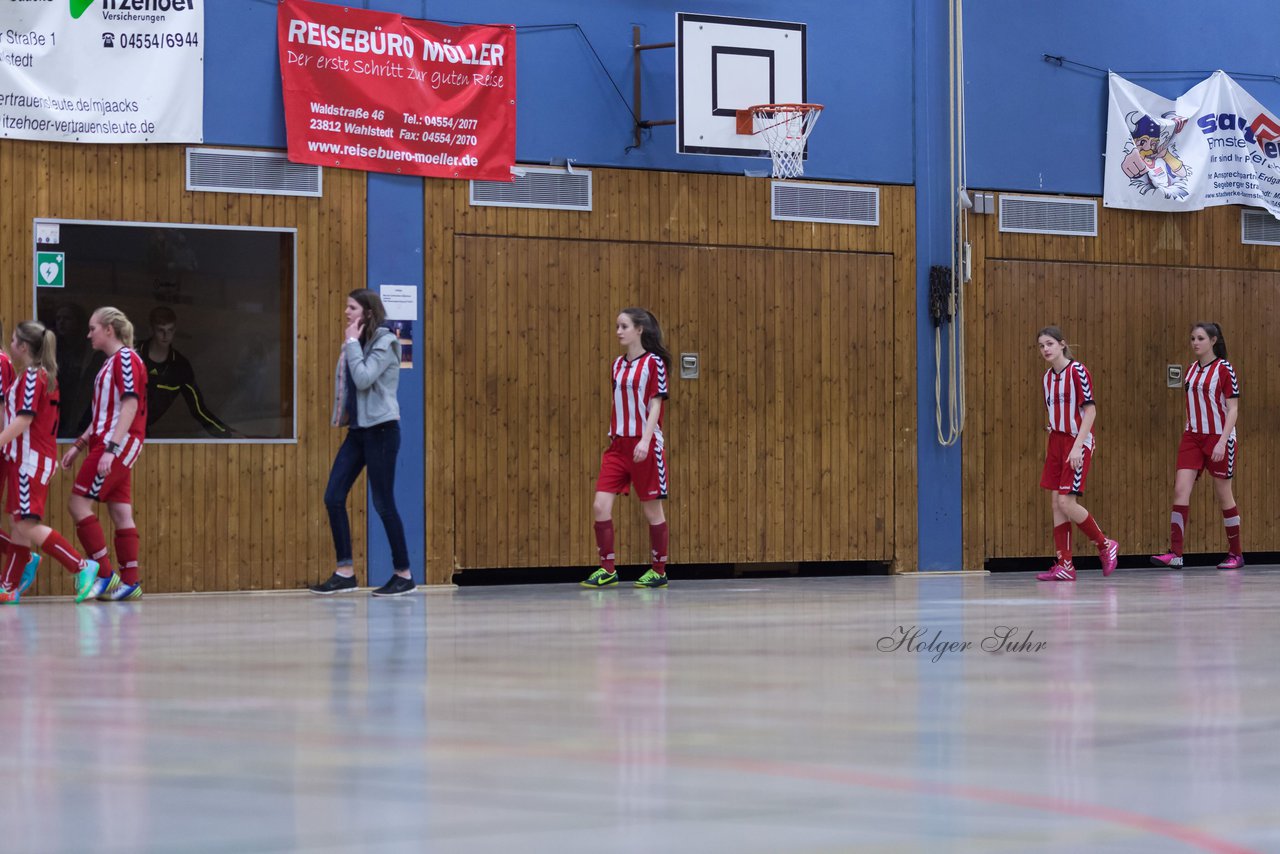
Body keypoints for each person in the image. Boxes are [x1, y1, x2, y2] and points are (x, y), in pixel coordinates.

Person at [309, 289, 415, 597]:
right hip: (358, 431)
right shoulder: (358, 341)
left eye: (351, 307)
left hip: (382, 430)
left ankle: (403, 573)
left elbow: (364, 377)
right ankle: (345, 572)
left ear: (367, 312)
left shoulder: (385, 342)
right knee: (333, 496)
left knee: (382, 502)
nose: (346, 312)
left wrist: (352, 344)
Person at [0, 321, 101, 604]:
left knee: (27, 525)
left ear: (23, 346)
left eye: (12, 340)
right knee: (18, 524)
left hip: (29, 461)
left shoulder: (34, 376)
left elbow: (24, 419)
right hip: (27, 459)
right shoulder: (35, 375)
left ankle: (80, 566)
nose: (9, 344)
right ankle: (7, 584)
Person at [60, 307, 149, 601]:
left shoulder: (125, 359)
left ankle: (104, 574)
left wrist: (111, 449)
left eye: (92, 328)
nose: (88, 335)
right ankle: (130, 582)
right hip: (108, 442)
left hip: (116, 444)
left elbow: (130, 406)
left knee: (78, 504)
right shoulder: (111, 363)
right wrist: (78, 445)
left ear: (109, 329)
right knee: (120, 511)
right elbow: (102, 415)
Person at [582, 308, 672, 589]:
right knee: (600, 505)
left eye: (624, 326)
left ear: (639, 330)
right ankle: (607, 569)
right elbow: (618, 402)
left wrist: (646, 441)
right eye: (617, 326)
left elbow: (656, 403)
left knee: (652, 511)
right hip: (618, 445)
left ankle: (659, 571)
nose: (618, 331)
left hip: (644, 443)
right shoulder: (617, 365)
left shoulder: (654, 363)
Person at [1152, 322, 1243, 570]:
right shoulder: (1191, 369)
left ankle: (1236, 554)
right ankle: (1176, 553)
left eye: (1200, 338)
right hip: (1192, 437)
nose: (1195, 343)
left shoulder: (1225, 369)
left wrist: (1223, 442)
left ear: (1213, 341)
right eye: (1192, 338)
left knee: (1224, 495)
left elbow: (1233, 409)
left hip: (1219, 437)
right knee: (1180, 490)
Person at [1034, 326, 1119, 582]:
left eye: (1049, 343)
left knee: (1066, 502)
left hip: (1075, 440)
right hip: (1056, 440)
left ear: (1062, 344)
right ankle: (1065, 565)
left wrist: (1077, 447)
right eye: (1041, 346)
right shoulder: (1047, 377)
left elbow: (1090, 412)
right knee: (1056, 504)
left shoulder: (1077, 371)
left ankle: (1105, 545)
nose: (1046, 349)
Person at [139, 305, 236, 438]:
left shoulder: (180, 367)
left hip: (141, 432)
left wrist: (227, 433)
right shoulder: (130, 354)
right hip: (112, 426)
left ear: (175, 331)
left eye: (170, 330)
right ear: (151, 330)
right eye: (160, 330)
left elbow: (198, 409)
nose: (165, 335)